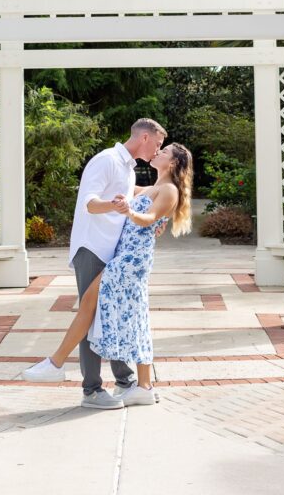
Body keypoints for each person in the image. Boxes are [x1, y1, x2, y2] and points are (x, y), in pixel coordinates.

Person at [23, 141, 193, 409]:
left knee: (89, 305)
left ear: (171, 163)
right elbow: (122, 190)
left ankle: (55, 363)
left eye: (165, 151)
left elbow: (148, 219)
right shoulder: (152, 186)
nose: (159, 152)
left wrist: (130, 212)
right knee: (134, 316)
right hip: (126, 256)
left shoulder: (169, 190)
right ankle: (144, 386)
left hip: (130, 260)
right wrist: (116, 197)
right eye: (159, 147)